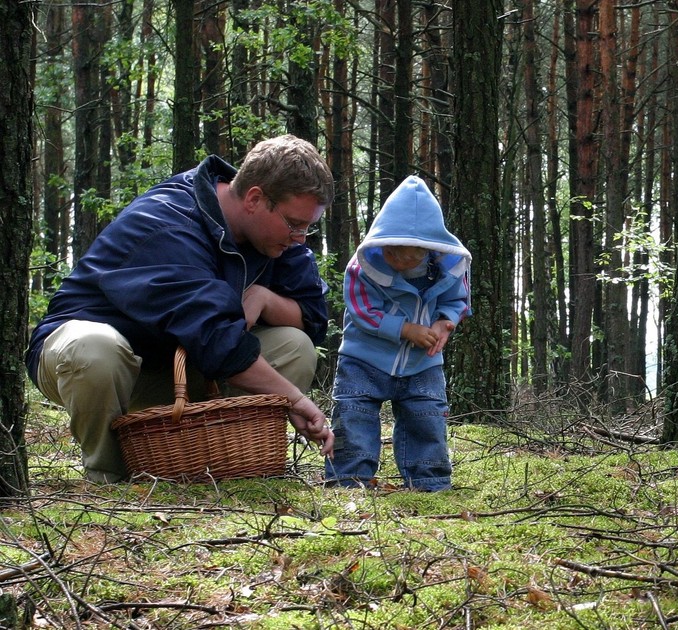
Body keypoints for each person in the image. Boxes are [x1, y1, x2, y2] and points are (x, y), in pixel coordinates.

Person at [26, 134, 336, 483]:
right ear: (254, 199)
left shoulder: (277, 233)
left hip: (180, 367)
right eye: (295, 224)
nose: (300, 238)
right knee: (96, 348)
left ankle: (221, 468)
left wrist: (265, 298)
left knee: (294, 346)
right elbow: (215, 340)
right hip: (91, 362)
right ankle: (111, 480)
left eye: (309, 227)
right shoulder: (169, 221)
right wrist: (294, 399)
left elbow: (312, 318)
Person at [324, 175, 471, 491]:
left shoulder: (446, 270)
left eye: (411, 255)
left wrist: (444, 323)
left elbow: (456, 300)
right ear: (383, 242)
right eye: (393, 253)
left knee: (426, 416)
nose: (401, 262)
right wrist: (405, 329)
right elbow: (361, 310)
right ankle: (348, 479)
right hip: (363, 359)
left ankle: (429, 480)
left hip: (422, 363)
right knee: (354, 416)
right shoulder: (363, 267)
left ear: (428, 249)